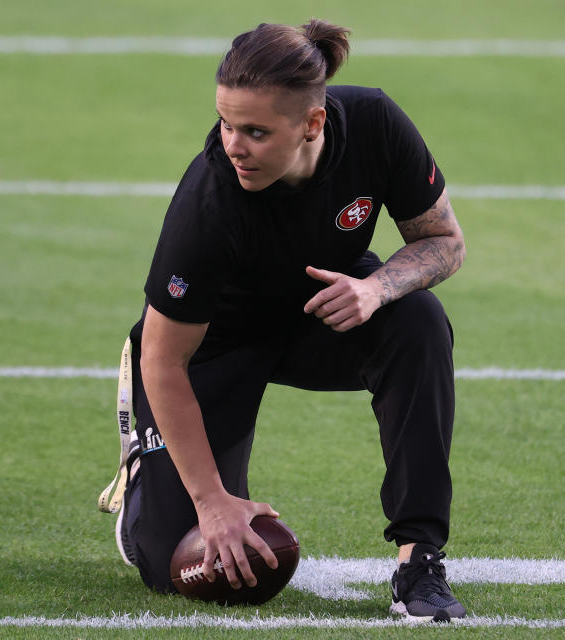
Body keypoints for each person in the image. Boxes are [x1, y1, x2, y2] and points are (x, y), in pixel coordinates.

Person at [100, 19, 466, 621]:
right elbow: (163, 358)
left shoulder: (373, 124)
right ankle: (148, 487)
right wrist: (212, 501)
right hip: (214, 345)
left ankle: (419, 559)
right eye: (225, 122)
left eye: (255, 131)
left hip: (317, 312)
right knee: (183, 565)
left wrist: (376, 288)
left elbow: (444, 242)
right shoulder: (209, 201)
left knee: (418, 322)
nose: (232, 144)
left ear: (312, 123)